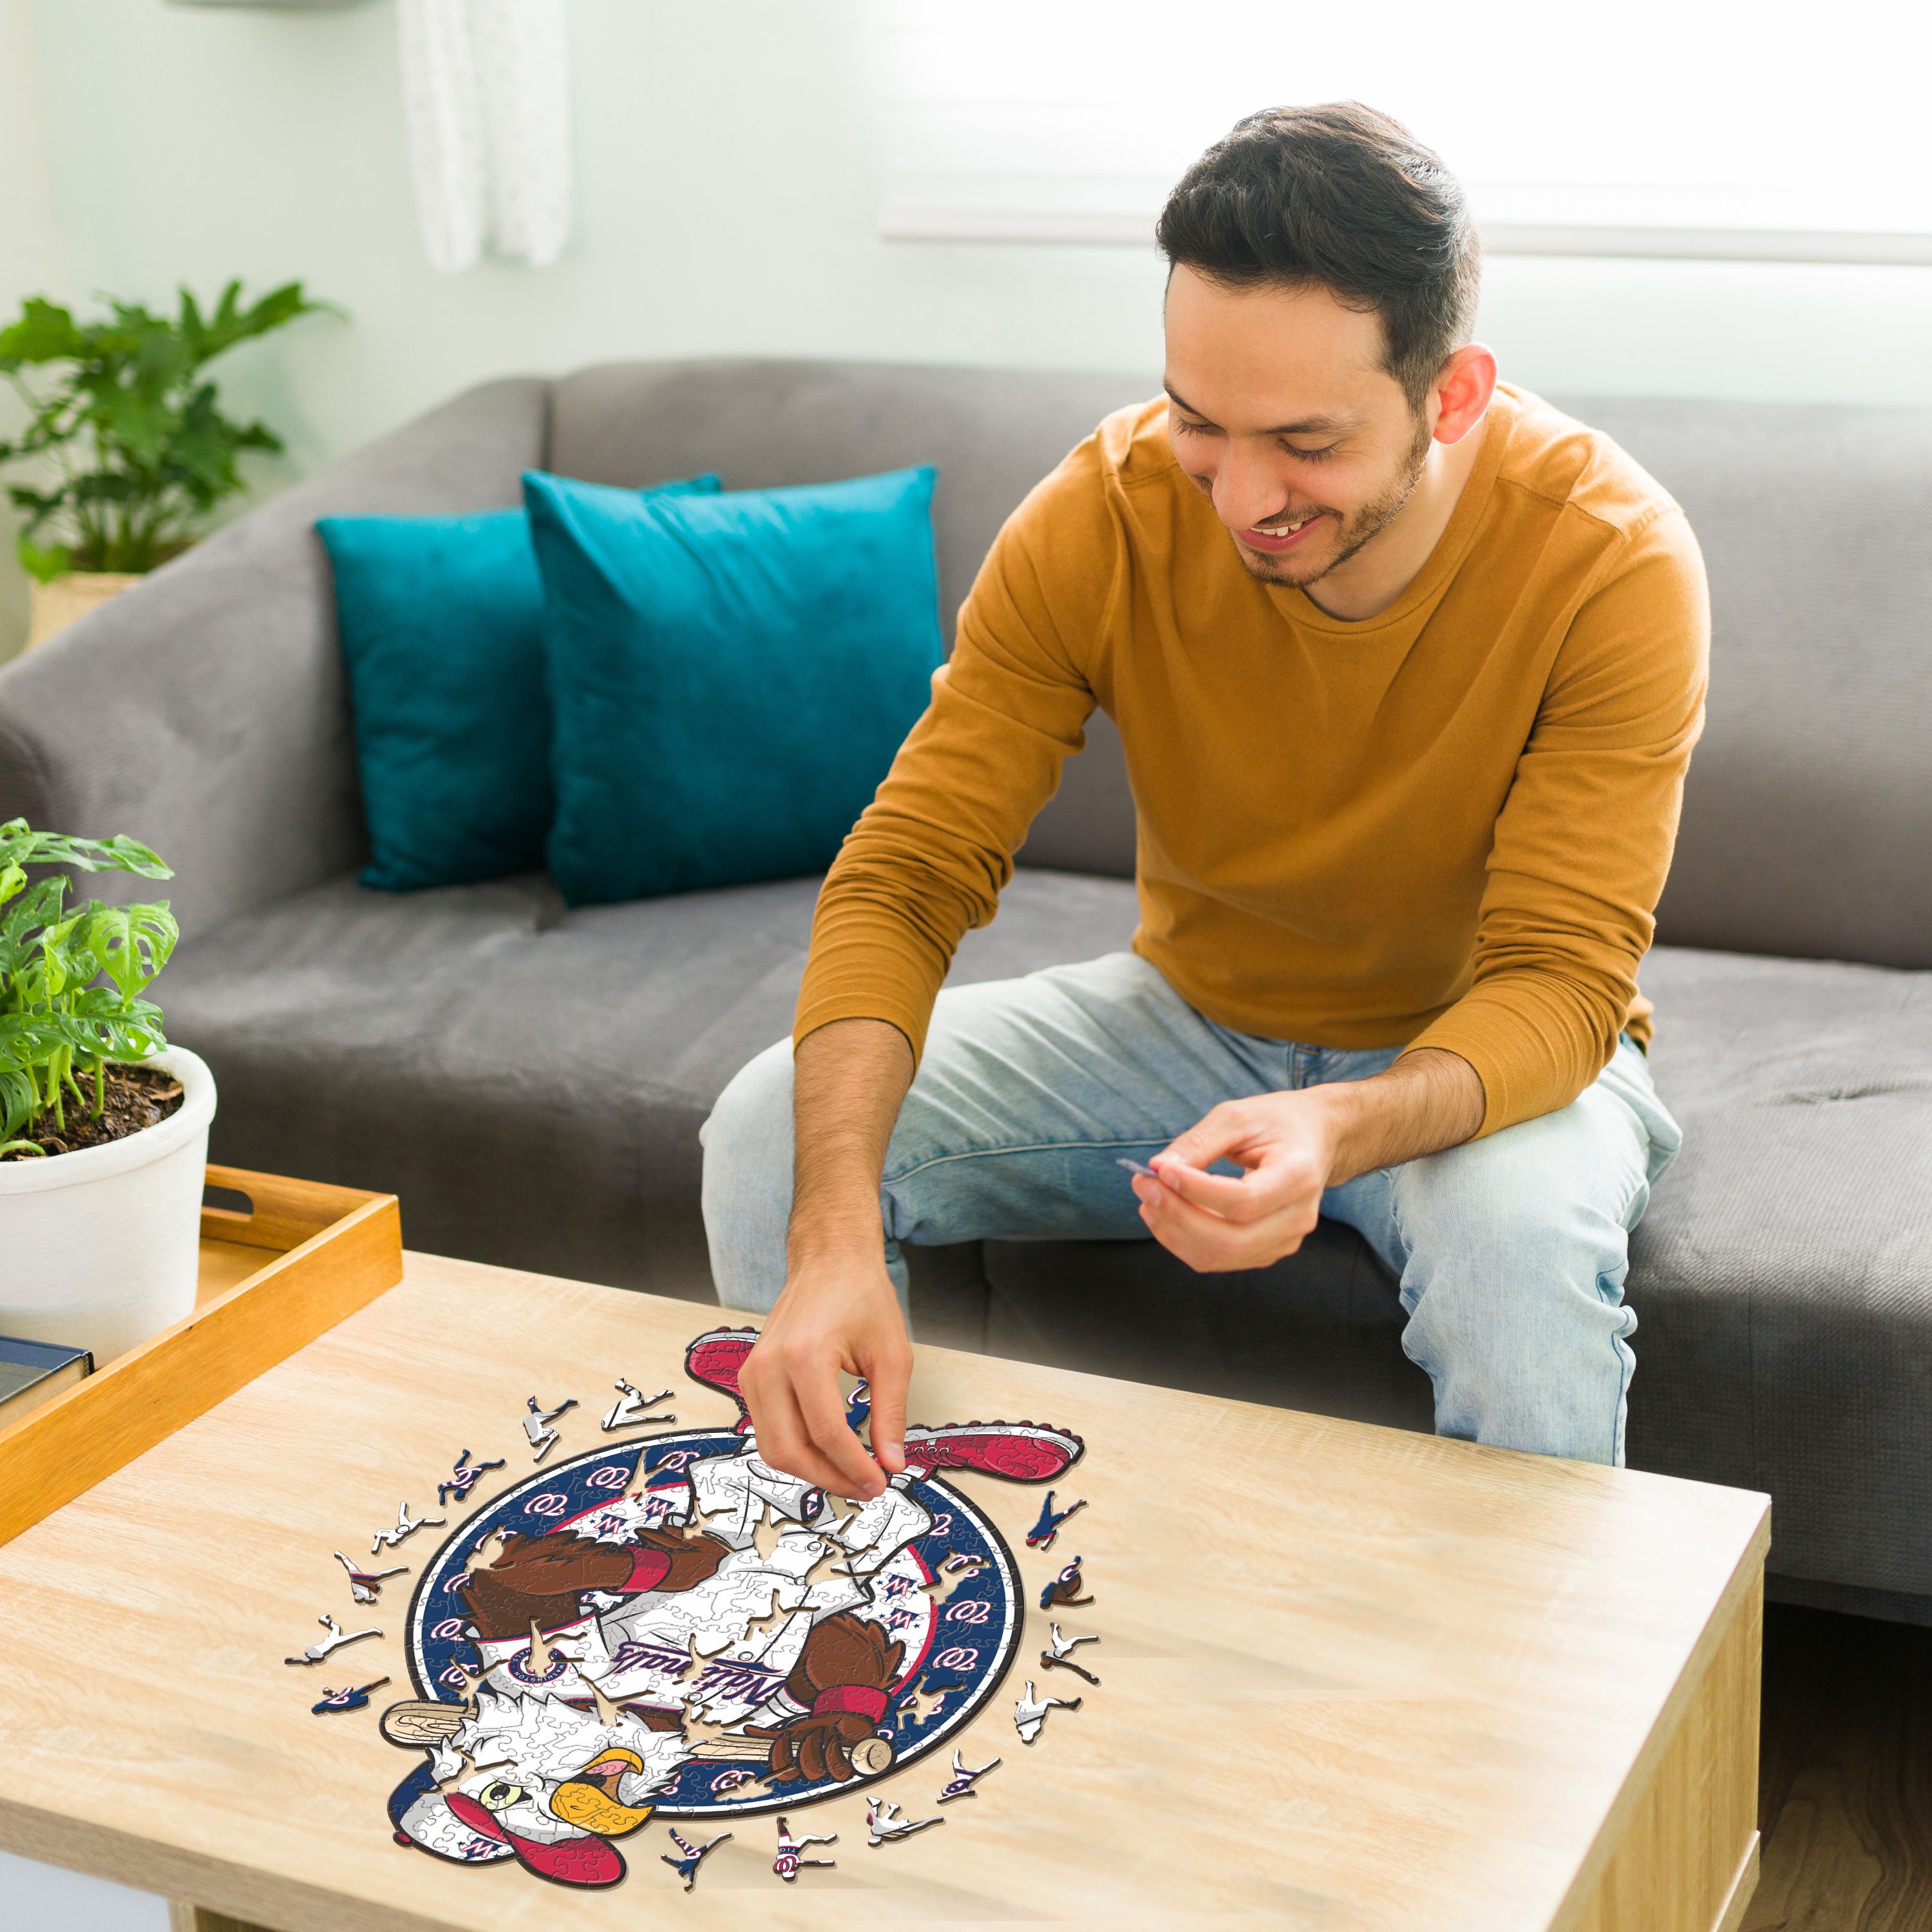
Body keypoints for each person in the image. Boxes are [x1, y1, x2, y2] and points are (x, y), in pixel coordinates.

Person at [700, 102, 1707, 1493]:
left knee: (1518, 1256)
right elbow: (910, 868)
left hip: (1482, 1062)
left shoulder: (1610, 560)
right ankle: (847, 1601)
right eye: (1198, 423)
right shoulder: (1101, 513)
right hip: (1190, 1021)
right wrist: (828, 1244)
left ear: (1453, 395)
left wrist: (1336, 1127)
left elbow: (1560, 985)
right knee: (769, 1131)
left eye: (1304, 440)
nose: (1240, 497)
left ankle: (1533, 1705)